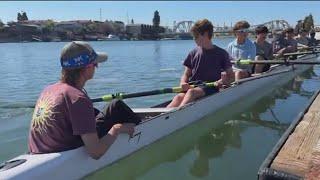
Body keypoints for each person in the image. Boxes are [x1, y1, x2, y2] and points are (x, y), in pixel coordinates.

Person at [28, 41, 141, 159]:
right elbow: (95, 153)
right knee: (116, 106)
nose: (97, 67)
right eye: (95, 64)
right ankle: (143, 126)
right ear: (87, 67)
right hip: (69, 152)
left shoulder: (48, 90)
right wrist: (116, 129)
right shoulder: (77, 98)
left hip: (41, 151)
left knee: (95, 111)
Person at [167, 19, 233, 108]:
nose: (193, 39)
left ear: (205, 34)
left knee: (191, 93)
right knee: (178, 97)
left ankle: (175, 115)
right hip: (194, 85)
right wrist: (183, 82)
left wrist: (224, 81)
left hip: (212, 87)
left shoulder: (222, 53)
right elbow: (186, 74)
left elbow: (231, 76)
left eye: (195, 36)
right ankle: (162, 116)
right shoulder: (193, 53)